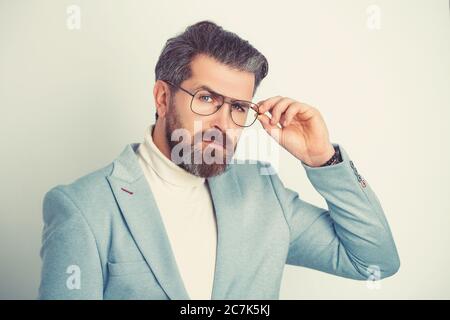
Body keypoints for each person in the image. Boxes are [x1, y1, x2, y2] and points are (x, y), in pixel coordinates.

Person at [38, 20, 399, 300]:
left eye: (239, 107)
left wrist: (322, 159)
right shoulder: (83, 207)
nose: (223, 124)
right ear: (163, 98)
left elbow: (373, 262)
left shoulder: (262, 191)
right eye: (207, 99)